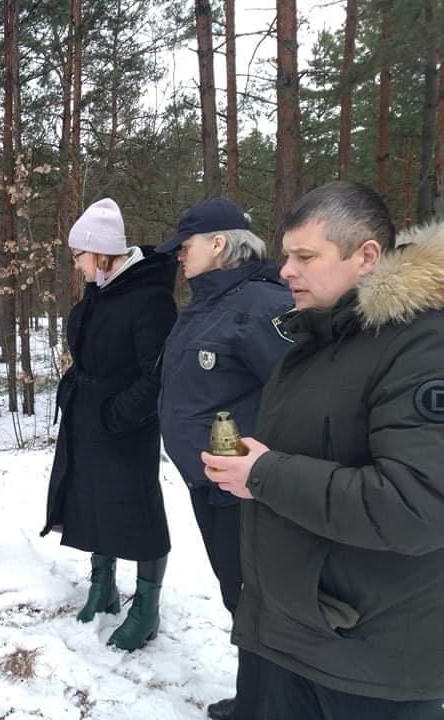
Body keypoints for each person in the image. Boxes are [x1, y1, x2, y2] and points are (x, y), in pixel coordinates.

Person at [202, 180, 444, 719]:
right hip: (293, 636)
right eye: (287, 254)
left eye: (305, 256)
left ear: (367, 256)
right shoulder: (318, 340)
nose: (286, 269)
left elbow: (417, 507)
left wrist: (263, 473)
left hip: (367, 662)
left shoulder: (423, 346)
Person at [156, 199, 292, 720]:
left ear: (218, 244)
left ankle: (270, 704)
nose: (179, 258)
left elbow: (293, 397)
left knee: (259, 601)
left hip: (246, 489)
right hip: (210, 483)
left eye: (184, 248)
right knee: (239, 596)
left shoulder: (261, 306)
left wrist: (268, 472)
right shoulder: (207, 304)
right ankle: (255, 698)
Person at [41, 197, 177, 651]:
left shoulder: (150, 298)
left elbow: (158, 373)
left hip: (126, 424)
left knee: (138, 511)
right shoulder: (101, 288)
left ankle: (146, 607)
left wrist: (118, 414)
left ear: (100, 253)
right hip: (89, 416)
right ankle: (103, 587)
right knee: (92, 499)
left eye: (78, 255)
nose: (75, 264)